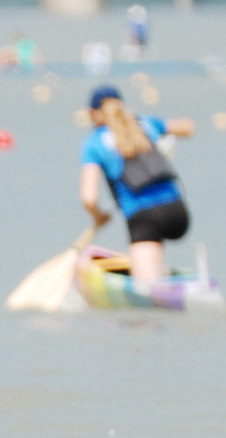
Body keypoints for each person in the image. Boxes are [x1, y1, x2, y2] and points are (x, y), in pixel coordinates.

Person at [79, 85, 196, 287]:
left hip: (143, 219)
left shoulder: (93, 143)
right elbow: (188, 128)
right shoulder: (147, 123)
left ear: (92, 113)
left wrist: (98, 215)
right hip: (177, 213)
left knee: (146, 289)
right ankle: (161, 270)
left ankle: (152, 275)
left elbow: (89, 198)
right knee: (152, 261)